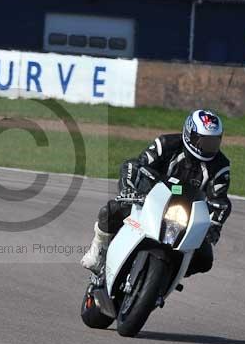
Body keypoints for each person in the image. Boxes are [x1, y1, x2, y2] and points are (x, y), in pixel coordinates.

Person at [81, 109, 232, 277]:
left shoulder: (220, 165)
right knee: (111, 210)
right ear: (190, 134)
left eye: (213, 142)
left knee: (205, 259)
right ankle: (98, 251)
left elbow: (221, 201)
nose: (209, 147)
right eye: (204, 141)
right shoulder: (166, 144)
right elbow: (135, 165)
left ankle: (169, 275)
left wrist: (214, 227)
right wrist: (128, 190)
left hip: (186, 216)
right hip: (148, 200)